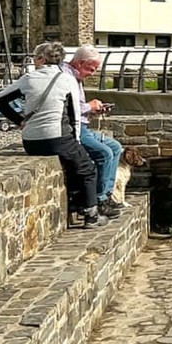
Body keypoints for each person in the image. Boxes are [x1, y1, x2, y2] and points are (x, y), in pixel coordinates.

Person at [0, 41, 106, 228]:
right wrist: (76, 142)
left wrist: (18, 120)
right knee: (87, 168)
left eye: (35, 58)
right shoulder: (67, 80)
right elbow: (74, 117)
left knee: (72, 166)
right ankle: (91, 215)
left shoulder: (28, 79)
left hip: (30, 141)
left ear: (41, 59)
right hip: (58, 138)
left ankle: (76, 204)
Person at [62, 45, 125, 218]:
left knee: (115, 147)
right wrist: (89, 106)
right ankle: (98, 200)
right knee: (104, 153)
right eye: (91, 68)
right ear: (81, 63)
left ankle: (106, 195)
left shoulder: (76, 77)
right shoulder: (66, 77)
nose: (93, 73)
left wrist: (93, 109)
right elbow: (69, 106)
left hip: (83, 125)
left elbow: (78, 107)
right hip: (74, 128)